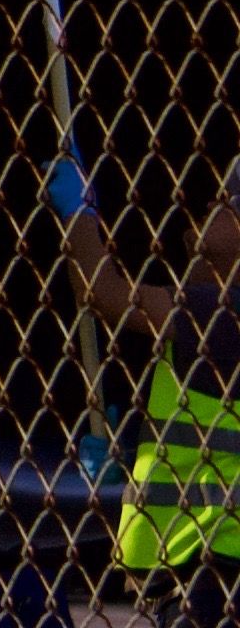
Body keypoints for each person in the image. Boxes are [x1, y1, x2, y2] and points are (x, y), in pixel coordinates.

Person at [57, 153, 240, 606]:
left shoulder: (224, 313)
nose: (204, 210)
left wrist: (78, 215)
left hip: (210, 563)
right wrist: (129, 455)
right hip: (198, 565)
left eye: (225, 203)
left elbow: (105, 294)